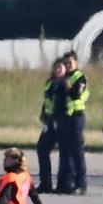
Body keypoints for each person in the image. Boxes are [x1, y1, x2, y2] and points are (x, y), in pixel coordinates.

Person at [56, 51, 89, 194]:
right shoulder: (61, 78)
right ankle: (64, 184)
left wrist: (65, 82)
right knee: (64, 153)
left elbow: (75, 95)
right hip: (64, 119)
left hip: (76, 118)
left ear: (76, 63)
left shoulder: (80, 77)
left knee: (77, 153)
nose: (68, 65)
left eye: (70, 62)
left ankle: (80, 184)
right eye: (66, 63)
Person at [35, 59, 66, 194]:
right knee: (42, 149)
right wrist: (43, 114)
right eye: (56, 67)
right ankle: (45, 183)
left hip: (63, 121)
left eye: (61, 67)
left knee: (65, 153)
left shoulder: (67, 83)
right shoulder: (50, 83)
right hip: (50, 121)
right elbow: (47, 101)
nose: (58, 70)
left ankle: (63, 184)